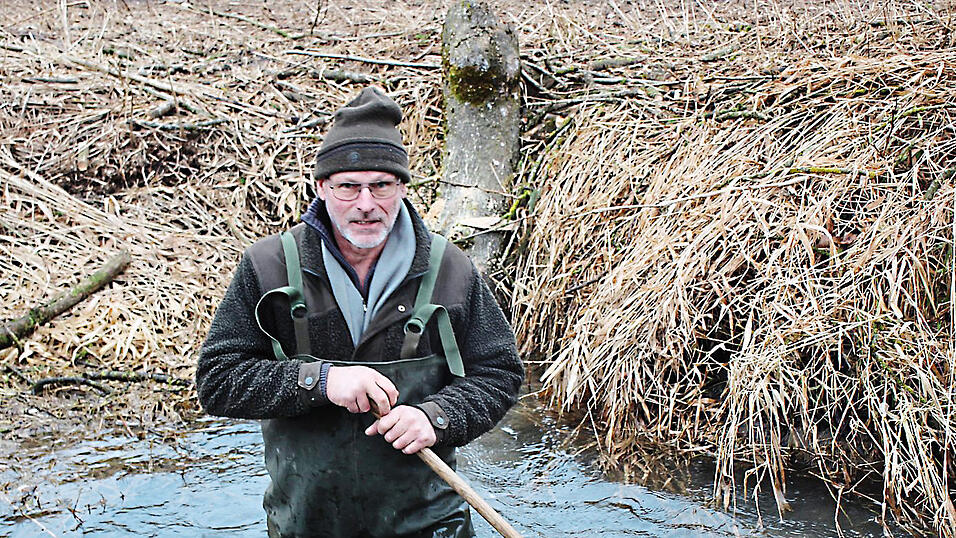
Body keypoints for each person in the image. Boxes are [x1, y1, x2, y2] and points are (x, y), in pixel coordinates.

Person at [196, 86, 523, 538]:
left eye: (381, 185)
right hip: (306, 525)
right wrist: (320, 381)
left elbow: (499, 373)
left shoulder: (451, 269)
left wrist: (437, 417)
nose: (366, 204)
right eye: (348, 186)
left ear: (402, 187)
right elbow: (217, 381)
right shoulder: (268, 266)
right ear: (321, 188)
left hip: (429, 525)